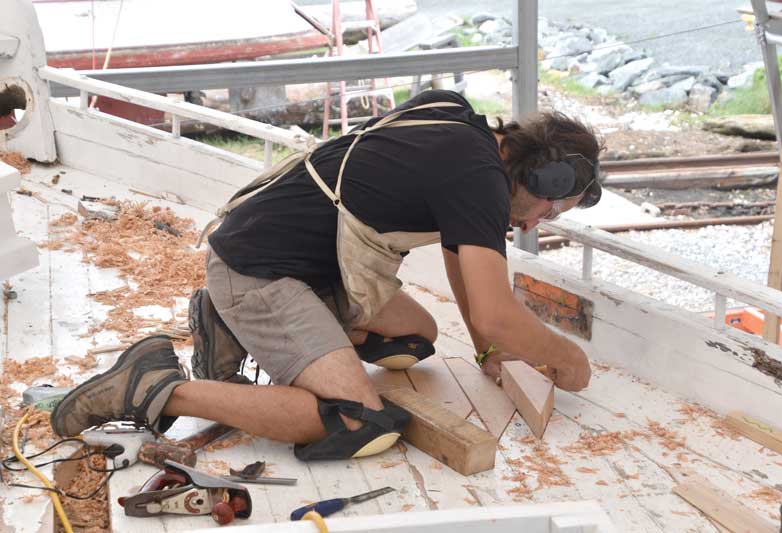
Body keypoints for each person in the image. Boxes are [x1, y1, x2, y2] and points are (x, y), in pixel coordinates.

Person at [51, 89, 604, 460]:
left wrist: (490, 352)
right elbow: (492, 311)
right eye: (548, 210)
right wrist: (564, 354)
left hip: (294, 255)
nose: (535, 223)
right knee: (356, 421)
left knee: (413, 340)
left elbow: (470, 275)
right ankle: (156, 387)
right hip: (259, 271)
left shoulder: (463, 127)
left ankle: (227, 324)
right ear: (542, 175)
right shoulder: (481, 181)